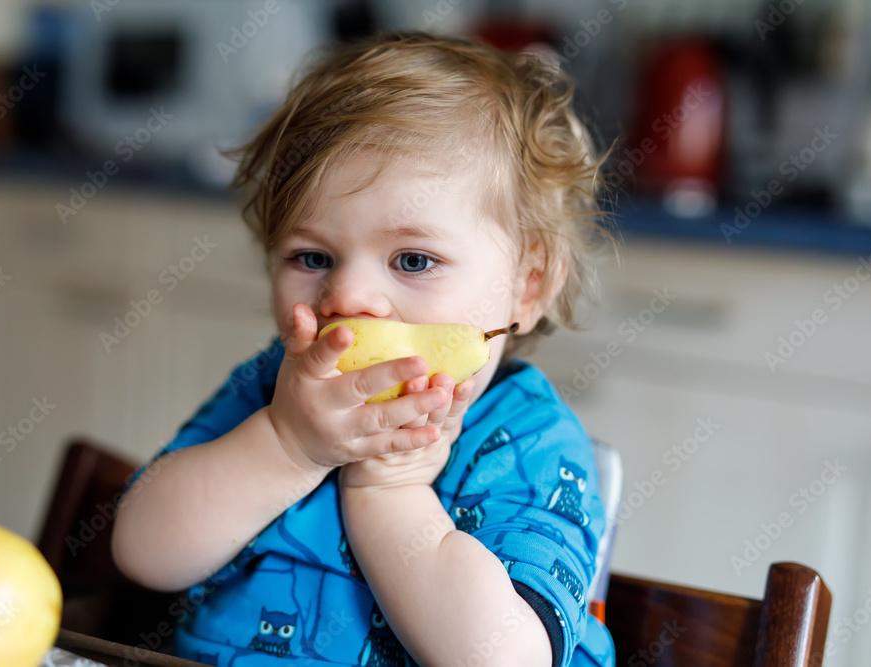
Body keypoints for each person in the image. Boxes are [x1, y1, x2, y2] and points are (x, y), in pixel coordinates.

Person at [111, 30, 615, 667]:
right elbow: (143, 552)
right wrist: (287, 445)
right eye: (313, 257)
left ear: (528, 286)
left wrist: (390, 492)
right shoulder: (276, 389)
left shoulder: (526, 443)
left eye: (412, 259)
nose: (347, 296)